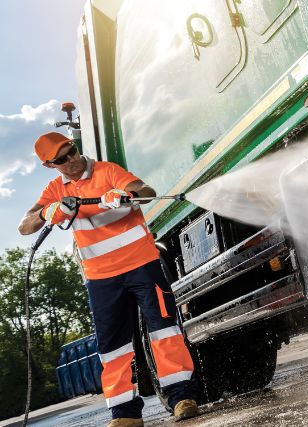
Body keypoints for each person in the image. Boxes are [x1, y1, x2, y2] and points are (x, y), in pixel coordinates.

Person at [18, 132, 199, 427]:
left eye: (72, 151)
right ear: (50, 165)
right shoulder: (54, 189)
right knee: (113, 347)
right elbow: (25, 226)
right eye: (61, 159)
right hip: (101, 279)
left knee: (164, 330)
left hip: (143, 265)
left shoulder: (108, 171)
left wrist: (125, 195)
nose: (71, 160)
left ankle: (182, 398)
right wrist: (50, 210)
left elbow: (146, 191)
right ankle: (125, 414)